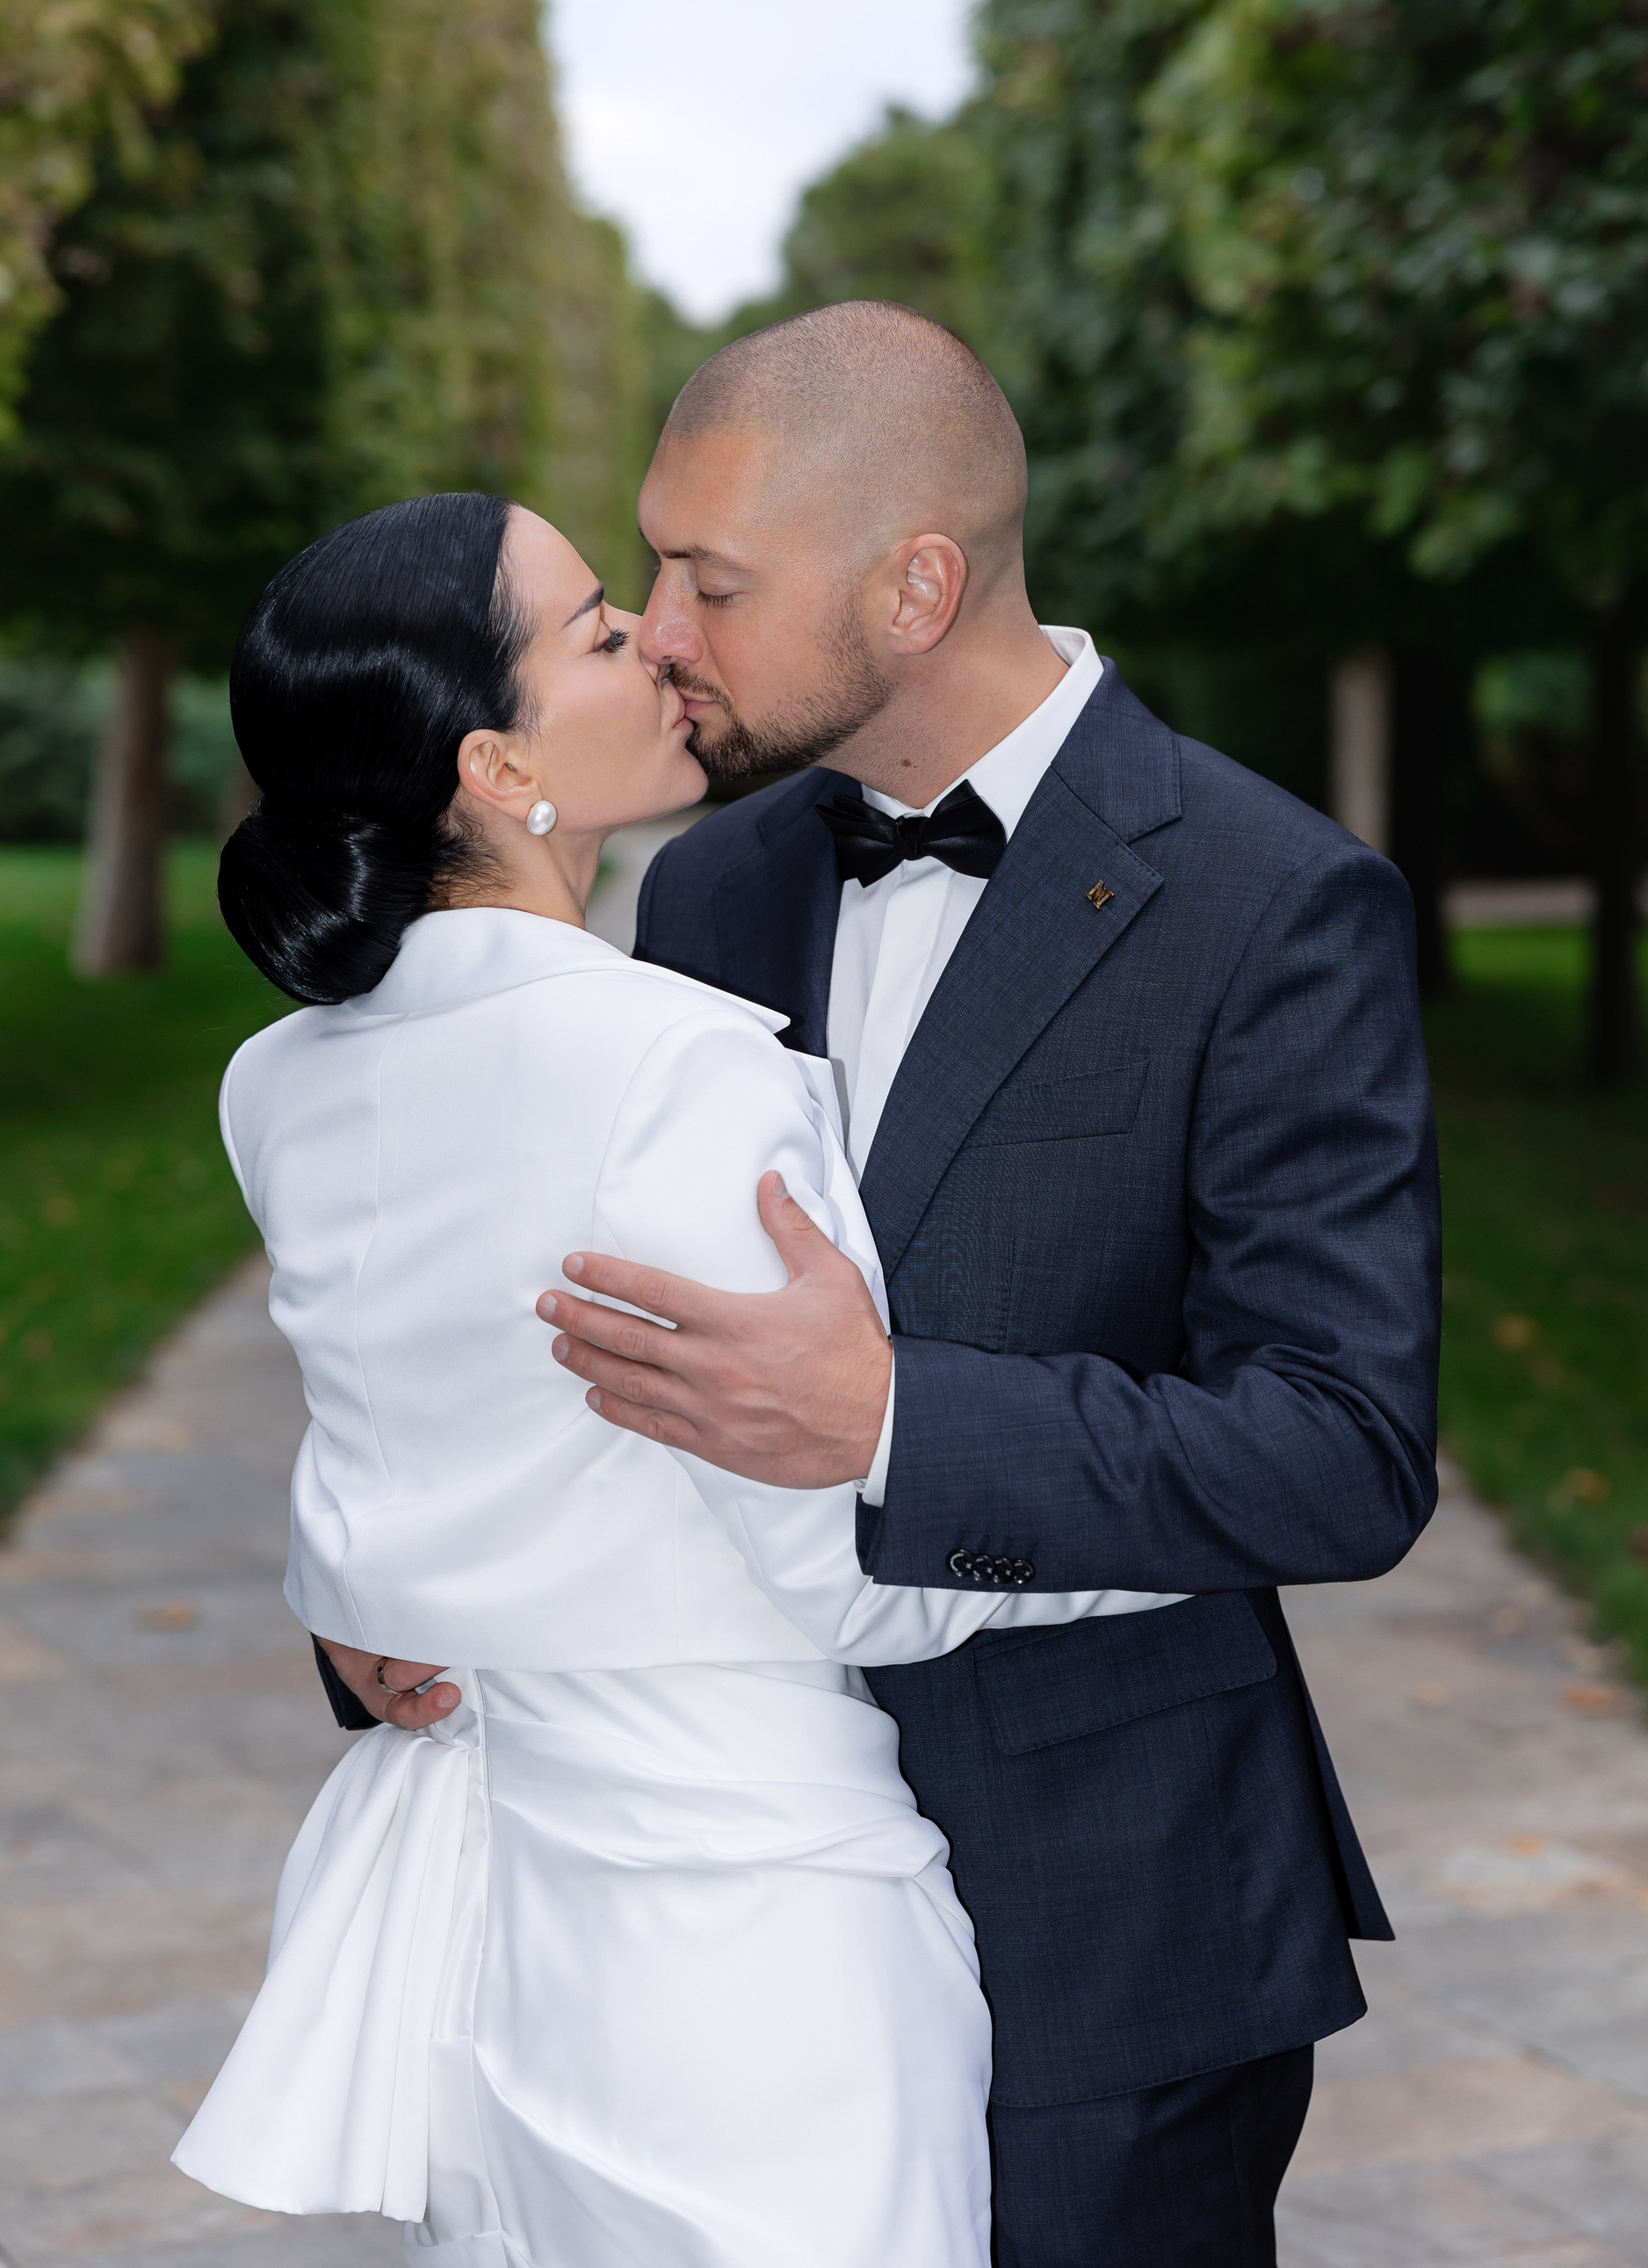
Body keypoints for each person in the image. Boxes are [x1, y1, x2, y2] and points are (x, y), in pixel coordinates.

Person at [518, 301, 1442, 2264]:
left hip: (1106, 1942)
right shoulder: (710, 885)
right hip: (719, 1905)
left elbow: (1342, 1452)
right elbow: (616, 1335)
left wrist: (895, 1421)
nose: (658, 631)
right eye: (653, 569)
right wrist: (403, 1604)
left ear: (916, 588)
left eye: (710, 582)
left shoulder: (1277, 905)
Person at [170, 488, 1184, 2268]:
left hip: (479, 1924)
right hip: (741, 1945)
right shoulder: (685, 1069)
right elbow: (841, 1567)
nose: (655, 638)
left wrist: (356, 1597)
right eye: (596, 629)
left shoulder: (277, 1086)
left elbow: (402, 1466)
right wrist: (1174, 1527)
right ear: (497, 765)